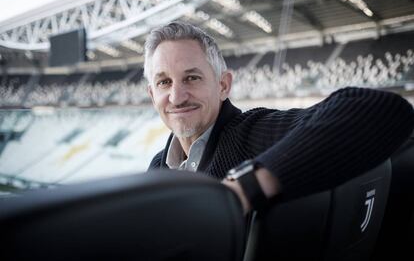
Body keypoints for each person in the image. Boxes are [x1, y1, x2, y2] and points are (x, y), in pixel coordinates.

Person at [145, 21, 414, 214]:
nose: (177, 96)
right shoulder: (157, 168)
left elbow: (380, 107)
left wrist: (243, 190)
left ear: (223, 85)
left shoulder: (251, 133)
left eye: (192, 78)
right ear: (151, 94)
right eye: (164, 82)